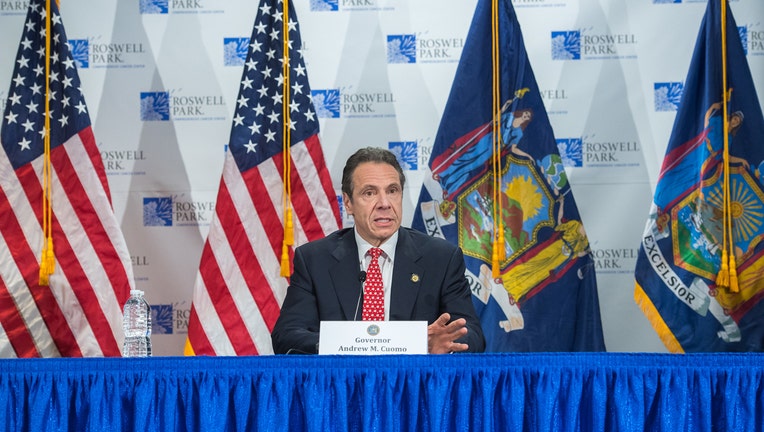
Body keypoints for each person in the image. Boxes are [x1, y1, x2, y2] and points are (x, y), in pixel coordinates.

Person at [271, 147, 485, 354]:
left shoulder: (441, 259)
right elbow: (286, 336)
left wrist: (440, 345)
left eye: (392, 191)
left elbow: (473, 336)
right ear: (348, 202)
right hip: (341, 385)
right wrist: (353, 344)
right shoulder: (315, 260)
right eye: (369, 193)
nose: (384, 203)